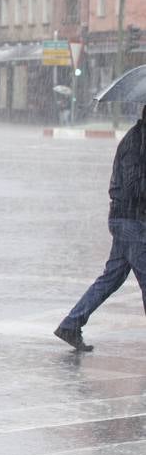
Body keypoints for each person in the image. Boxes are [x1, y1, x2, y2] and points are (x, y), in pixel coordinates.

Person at [54, 106, 146, 351]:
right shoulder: (134, 144)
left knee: (111, 278)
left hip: (131, 221)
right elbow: (135, 186)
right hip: (130, 222)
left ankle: (71, 324)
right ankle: (71, 323)